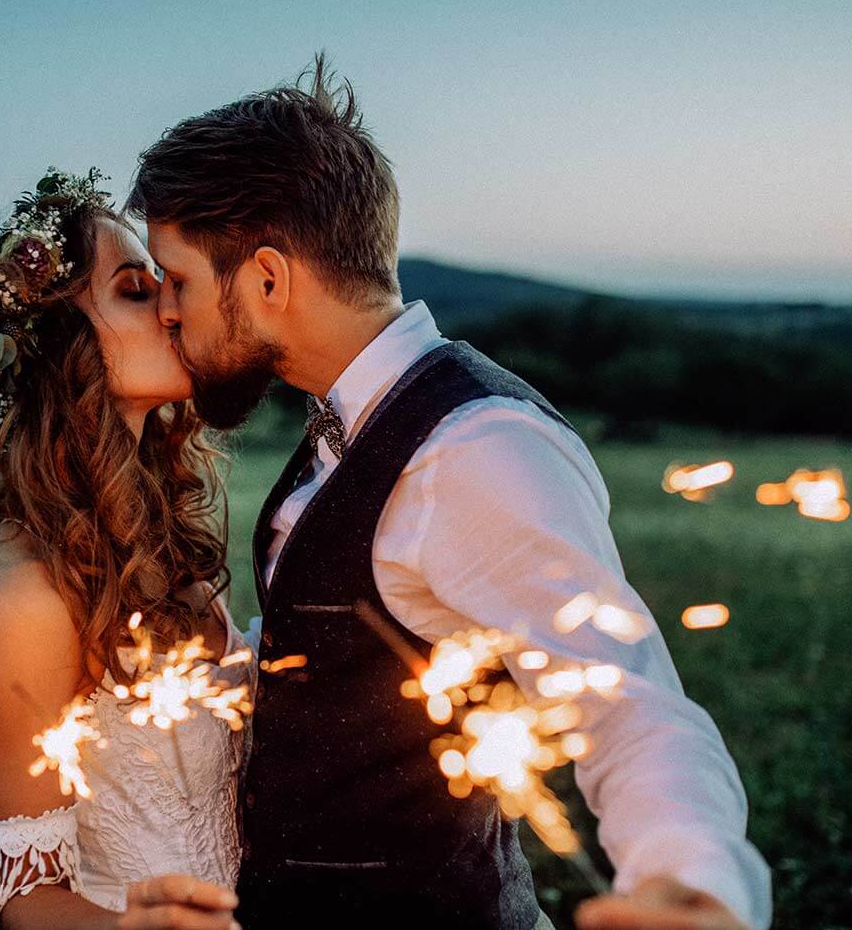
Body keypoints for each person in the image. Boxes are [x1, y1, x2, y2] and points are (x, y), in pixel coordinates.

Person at [124, 54, 772, 929]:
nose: (168, 309)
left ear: (269, 280)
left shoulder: (478, 448)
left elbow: (624, 701)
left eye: (181, 279)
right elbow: (352, 646)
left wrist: (691, 886)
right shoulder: (347, 417)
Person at [0, 167, 253, 930]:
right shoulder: (27, 595)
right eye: (137, 292)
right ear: (56, 344)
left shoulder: (171, 540)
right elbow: (19, 896)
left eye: (164, 285)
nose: (175, 310)